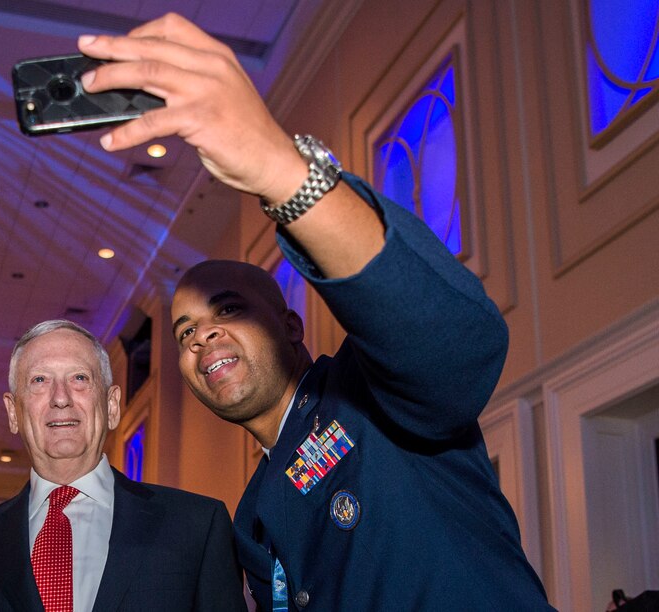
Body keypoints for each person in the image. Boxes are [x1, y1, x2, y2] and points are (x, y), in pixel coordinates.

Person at [73, 12, 554, 610]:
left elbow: (457, 343)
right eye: (186, 331)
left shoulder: (373, 394)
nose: (202, 338)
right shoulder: (249, 517)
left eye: (227, 309)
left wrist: (282, 170)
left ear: (290, 325)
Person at [0, 319, 245, 611]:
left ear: (111, 405)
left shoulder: (196, 526)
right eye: (39, 380)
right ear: (13, 412)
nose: (60, 398)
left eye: (79, 378)